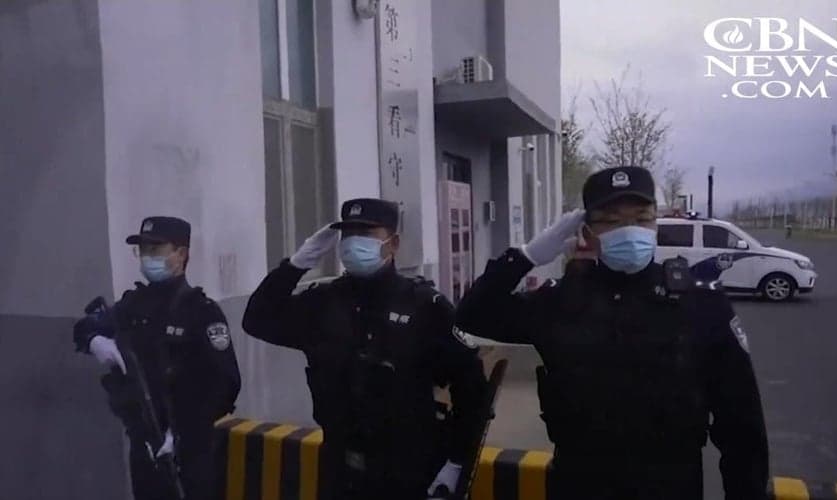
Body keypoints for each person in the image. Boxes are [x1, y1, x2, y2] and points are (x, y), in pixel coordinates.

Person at [454, 167, 769, 500]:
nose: (629, 230)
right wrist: (527, 255)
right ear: (587, 230)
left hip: (670, 487)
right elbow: (473, 317)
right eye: (612, 221)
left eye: (641, 218)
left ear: (655, 223)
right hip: (577, 487)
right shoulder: (561, 302)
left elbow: (741, 424)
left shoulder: (700, 303)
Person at [242, 198, 487, 500]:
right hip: (339, 465)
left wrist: (455, 462)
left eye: (366, 233)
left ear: (393, 243)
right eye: (348, 234)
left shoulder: (425, 307)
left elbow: (472, 390)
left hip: (406, 468)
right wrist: (296, 264)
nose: (354, 242)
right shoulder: (322, 303)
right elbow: (257, 320)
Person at [73, 216, 241, 500]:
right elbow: (86, 326)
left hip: (189, 451)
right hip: (144, 446)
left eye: (156, 249)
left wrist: (180, 434)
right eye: (143, 250)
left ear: (181, 254)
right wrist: (94, 341)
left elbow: (226, 384)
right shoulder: (133, 304)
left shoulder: (201, 311)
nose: (148, 257)